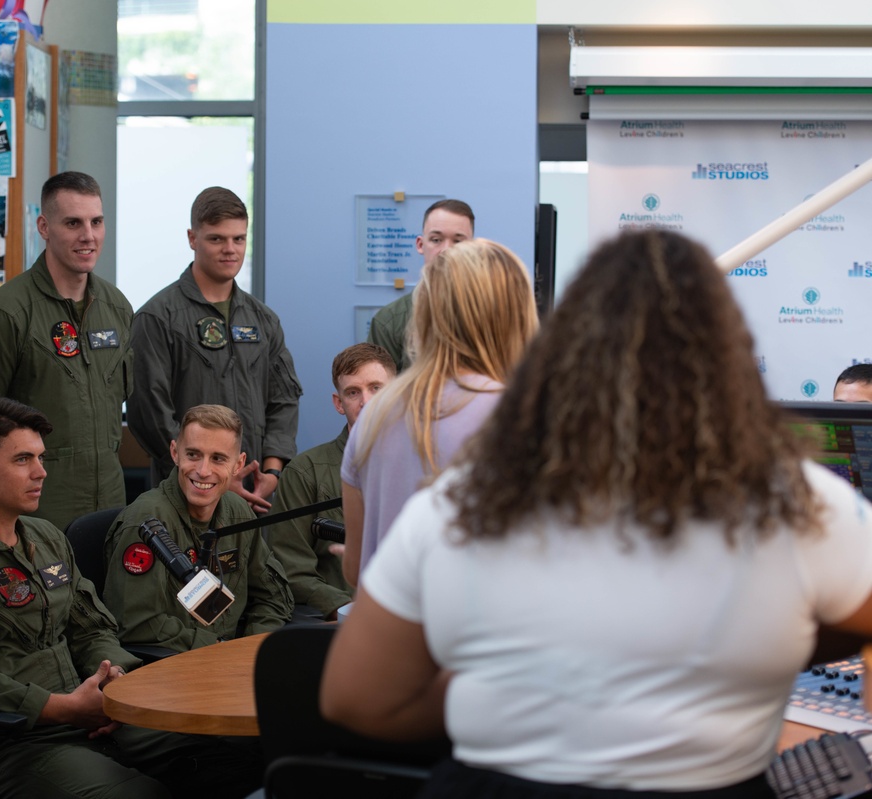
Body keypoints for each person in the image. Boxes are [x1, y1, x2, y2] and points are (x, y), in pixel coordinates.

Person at [322, 229, 872, 799]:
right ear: (729, 352)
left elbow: (355, 696)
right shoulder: (798, 499)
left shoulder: (465, 496)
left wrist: (498, 697)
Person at [0, 396, 262, 799]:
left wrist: (113, 683)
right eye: (23, 460)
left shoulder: (47, 538)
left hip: (95, 717)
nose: (41, 472)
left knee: (245, 761)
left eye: (40, 458)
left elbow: (92, 626)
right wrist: (62, 707)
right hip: (20, 742)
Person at [341, 238, 538, 586]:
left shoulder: (372, 417)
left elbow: (355, 568)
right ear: (516, 315)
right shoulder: (523, 418)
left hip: (386, 634)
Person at [0, 171, 132, 531]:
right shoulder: (6, 314)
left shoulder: (117, 308)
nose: (88, 236)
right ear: (44, 227)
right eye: (73, 223)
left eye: (96, 222)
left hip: (110, 508)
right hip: (36, 516)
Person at [127, 186, 302, 512]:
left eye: (239, 239)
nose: (230, 250)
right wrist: (208, 475)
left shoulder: (263, 320)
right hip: (186, 495)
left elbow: (284, 401)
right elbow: (149, 414)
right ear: (193, 238)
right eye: (216, 239)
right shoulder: (158, 317)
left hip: (254, 494)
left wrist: (273, 472)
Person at [103, 404, 293, 651]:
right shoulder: (147, 522)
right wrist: (217, 646)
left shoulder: (238, 512)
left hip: (233, 658)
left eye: (218, 458)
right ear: (175, 453)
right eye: (193, 455)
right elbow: (135, 622)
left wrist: (251, 647)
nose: (203, 471)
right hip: (171, 666)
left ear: (238, 464)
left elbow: (273, 596)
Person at [268, 343, 396, 620]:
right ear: (339, 403)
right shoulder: (306, 471)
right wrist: (348, 607)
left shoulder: (424, 464)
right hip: (333, 620)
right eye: (353, 392)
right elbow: (290, 567)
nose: (367, 402)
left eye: (377, 388)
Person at [367, 198, 475, 372]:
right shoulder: (389, 322)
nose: (446, 250)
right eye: (436, 239)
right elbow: (378, 394)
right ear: (420, 244)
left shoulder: (495, 314)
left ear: (472, 247)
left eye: (458, 241)